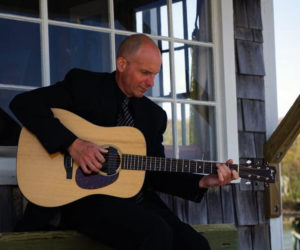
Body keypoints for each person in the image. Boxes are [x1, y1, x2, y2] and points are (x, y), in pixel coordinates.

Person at [10, 34, 239, 250]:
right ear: (122, 64)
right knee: (155, 233)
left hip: (136, 200)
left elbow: (156, 171)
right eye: (145, 73)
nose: (151, 82)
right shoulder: (85, 86)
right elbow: (24, 104)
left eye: (155, 75)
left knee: (195, 245)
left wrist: (203, 182)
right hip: (84, 198)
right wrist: (73, 144)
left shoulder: (153, 116)